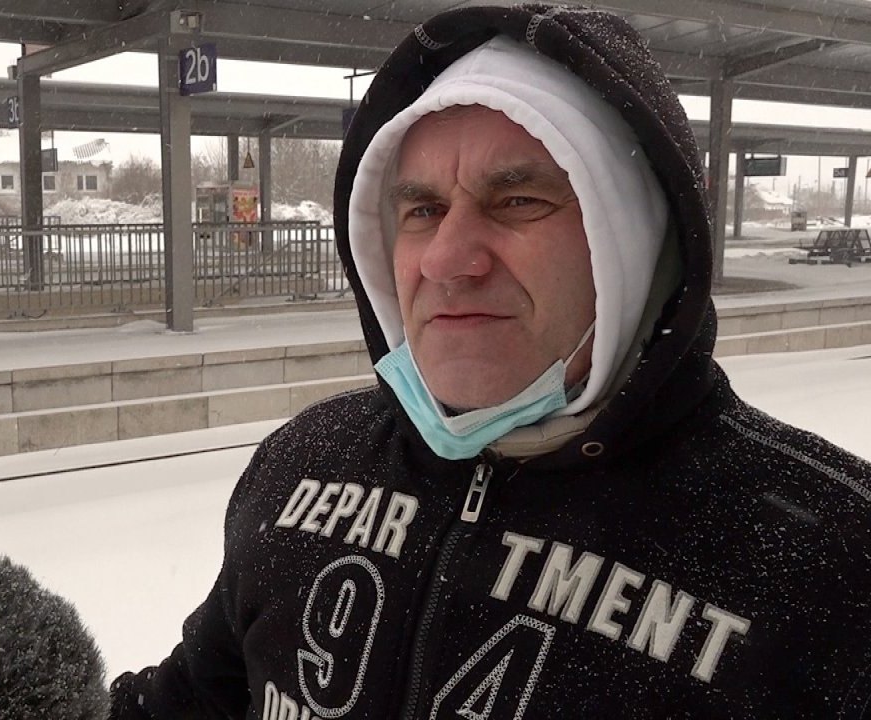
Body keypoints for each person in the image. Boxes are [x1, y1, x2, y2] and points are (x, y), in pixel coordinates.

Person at [109, 5, 871, 718]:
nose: (447, 259)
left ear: (636, 248)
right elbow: (196, 699)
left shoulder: (829, 560)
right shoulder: (300, 466)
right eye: (422, 210)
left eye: (518, 203)